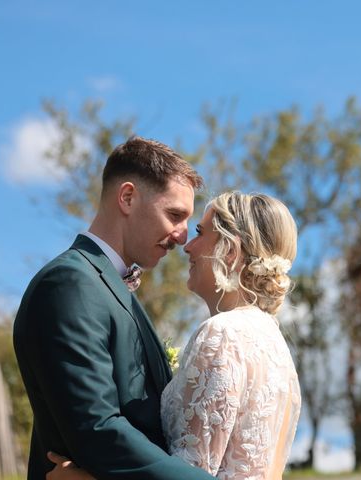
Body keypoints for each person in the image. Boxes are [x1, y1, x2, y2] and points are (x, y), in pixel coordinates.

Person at [48, 191, 301, 480]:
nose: (187, 246)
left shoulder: (223, 334)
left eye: (200, 233)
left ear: (230, 250)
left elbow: (191, 472)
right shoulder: (275, 344)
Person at [13, 136, 215, 480]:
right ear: (127, 197)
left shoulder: (111, 288)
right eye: (174, 215)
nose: (182, 237)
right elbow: (97, 429)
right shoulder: (70, 284)